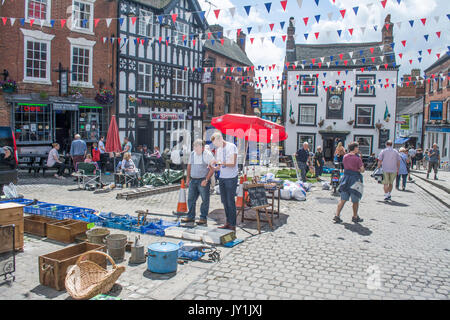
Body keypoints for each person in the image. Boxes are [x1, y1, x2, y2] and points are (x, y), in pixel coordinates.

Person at [182, 139, 215, 225]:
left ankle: (203, 218)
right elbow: (189, 166)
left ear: (203, 148)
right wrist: (188, 178)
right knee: (191, 199)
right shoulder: (192, 154)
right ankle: (190, 216)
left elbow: (212, 169)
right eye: (194, 146)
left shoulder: (207, 155)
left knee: (204, 200)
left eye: (197, 147)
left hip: (203, 179)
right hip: (193, 180)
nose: (195, 148)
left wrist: (206, 180)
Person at [210, 132, 238, 231]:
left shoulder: (232, 147)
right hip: (222, 177)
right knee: (224, 202)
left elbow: (233, 163)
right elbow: (219, 167)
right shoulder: (219, 150)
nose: (216, 146)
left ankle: (233, 225)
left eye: (217, 144)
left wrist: (219, 163)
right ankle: (228, 222)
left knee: (230, 202)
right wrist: (212, 167)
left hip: (231, 177)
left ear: (220, 139)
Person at [333, 142, 365, 224]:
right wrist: (358, 169)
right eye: (357, 148)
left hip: (345, 178)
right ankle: (355, 216)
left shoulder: (345, 157)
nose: (358, 149)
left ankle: (337, 215)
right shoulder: (357, 158)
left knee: (343, 199)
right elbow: (362, 170)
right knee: (355, 199)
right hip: (355, 179)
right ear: (354, 148)